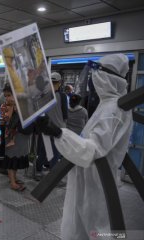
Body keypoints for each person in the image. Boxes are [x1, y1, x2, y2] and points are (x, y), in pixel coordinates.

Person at [36, 54, 133, 240]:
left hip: (96, 184)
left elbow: (92, 150)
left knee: (97, 231)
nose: (93, 79)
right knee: (81, 229)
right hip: (88, 180)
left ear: (106, 77)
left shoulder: (113, 111)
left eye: (96, 73)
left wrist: (58, 133)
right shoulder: (107, 106)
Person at [0, 83, 33, 191]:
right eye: (6, 96)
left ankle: (14, 178)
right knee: (11, 157)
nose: (7, 98)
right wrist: (11, 107)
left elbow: (28, 115)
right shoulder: (6, 105)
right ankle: (13, 182)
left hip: (22, 135)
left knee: (17, 158)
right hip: (11, 136)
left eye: (9, 95)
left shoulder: (23, 103)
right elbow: (6, 120)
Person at [36, 72, 68, 174]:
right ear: (59, 83)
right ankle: (52, 173)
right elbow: (65, 114)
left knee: (44, 150)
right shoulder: (62, 96)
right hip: (57, 129)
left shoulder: (42, 95)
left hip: (45, 127)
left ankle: (38, 170)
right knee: (56, 151)